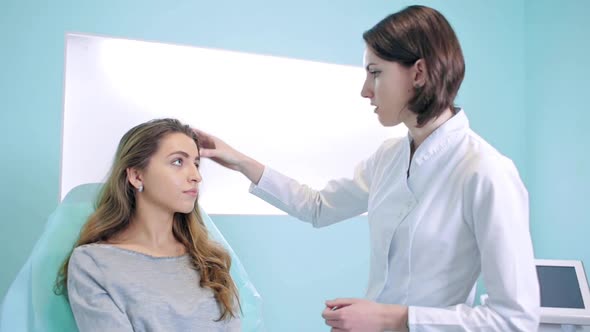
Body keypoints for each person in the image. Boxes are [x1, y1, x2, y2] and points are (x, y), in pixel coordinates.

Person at [195, 5, 540, 332]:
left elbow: (515, 319)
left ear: (418, 73)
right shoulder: (389, 157)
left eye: (375, 73)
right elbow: (317, 207)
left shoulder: (486, 172)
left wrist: (390, 319)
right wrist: (239, 161)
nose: (365, 91)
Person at [55, 118, 241, 331]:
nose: (196, 176)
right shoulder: (93, 263)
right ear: (136, 175)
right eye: (178, 162)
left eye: (196, 164)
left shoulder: (210, 261)